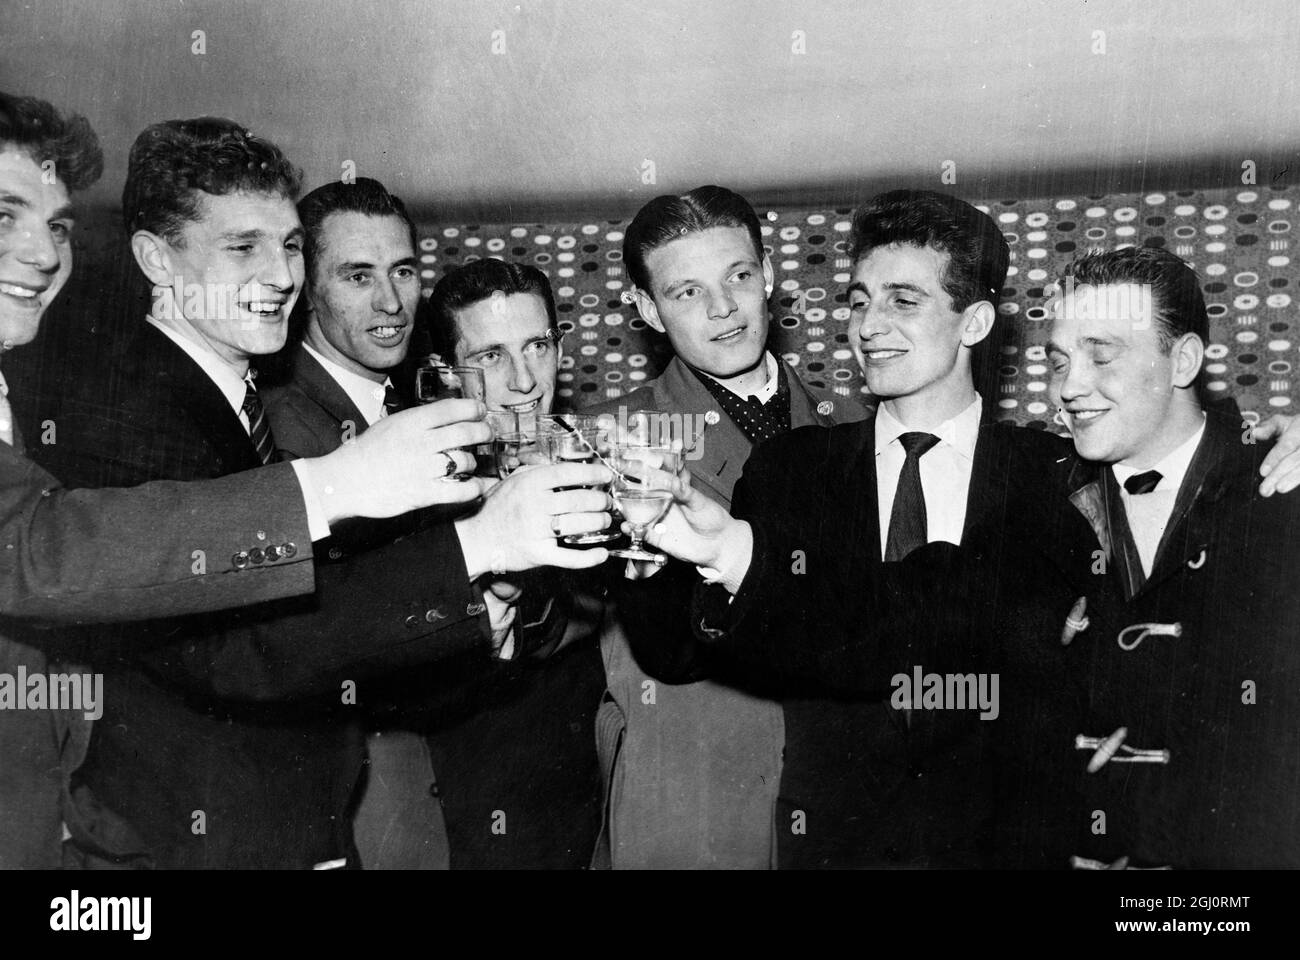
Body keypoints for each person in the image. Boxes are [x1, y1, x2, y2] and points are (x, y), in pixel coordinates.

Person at [617, 190, 1300, 868]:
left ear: (974, 322)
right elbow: (888, 613)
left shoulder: (1059, 474)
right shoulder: (796, 464)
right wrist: (712, 549)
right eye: (859, 302)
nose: (868, 327)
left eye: (903, 302)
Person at [36, 116, 612, 868]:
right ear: (155, 257)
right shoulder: (123, 406)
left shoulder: (229, 396)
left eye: (289, 247)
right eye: (243, 247)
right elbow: (234, 652)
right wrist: (479, 546)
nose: (280, 277)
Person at [581, 185, 867, 869]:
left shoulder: (859, 423)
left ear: (769, 276)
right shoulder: (606, 439)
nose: (723, 308)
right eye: (686, 292)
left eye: (739, 276)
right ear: (648, 309)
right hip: (689, 804)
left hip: (838, 794)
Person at [1047, 247, 1300, 868]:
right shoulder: (1031, 502)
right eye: (1058, 362)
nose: (1069, 388)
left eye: (1100, 356)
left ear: (1182, 360)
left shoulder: (1282, 494)